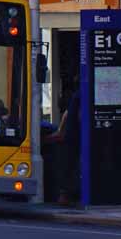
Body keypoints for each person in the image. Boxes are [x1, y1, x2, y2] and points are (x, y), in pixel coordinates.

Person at [45, 78, 80, 206]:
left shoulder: (70, 108)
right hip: (73, 140)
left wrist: (49, 138)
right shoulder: (77, 101)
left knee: (66, 166)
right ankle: (66, 194)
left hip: (70, 141)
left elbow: (61, 131)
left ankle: (65, 194)